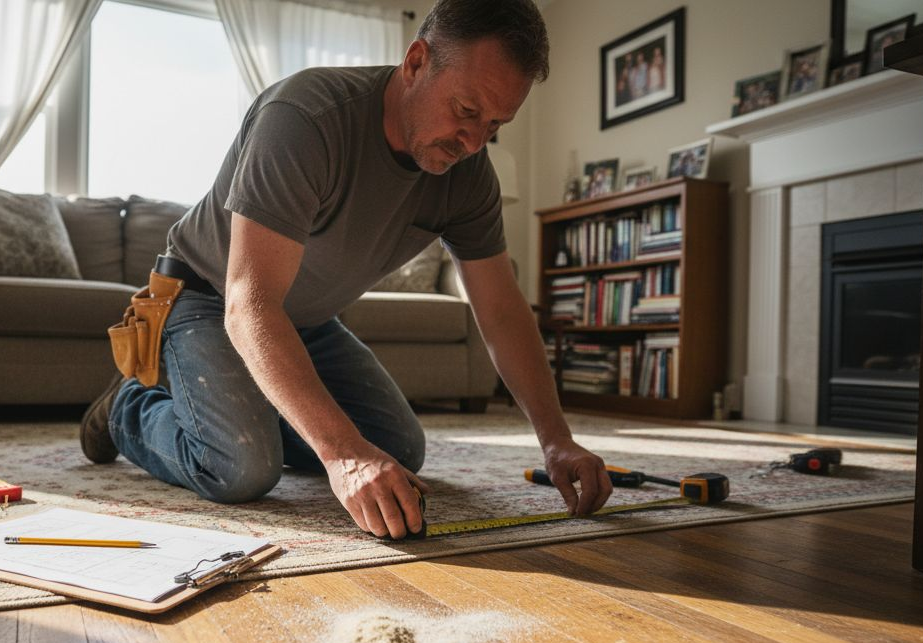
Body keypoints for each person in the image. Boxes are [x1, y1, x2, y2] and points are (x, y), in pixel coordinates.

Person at [79, 0, 612, 540]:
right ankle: (130, 406)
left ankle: (244, 410)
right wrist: (342, 455)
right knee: (241, 468)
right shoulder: (303, 120)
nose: (473, 143)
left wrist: (556, 439)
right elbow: (249, 305)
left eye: (496, 124)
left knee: (398, 448)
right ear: (416, 61)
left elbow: (500, 309)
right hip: (205, 298)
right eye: (467, 111)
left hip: (303, 319)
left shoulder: (469, 176)